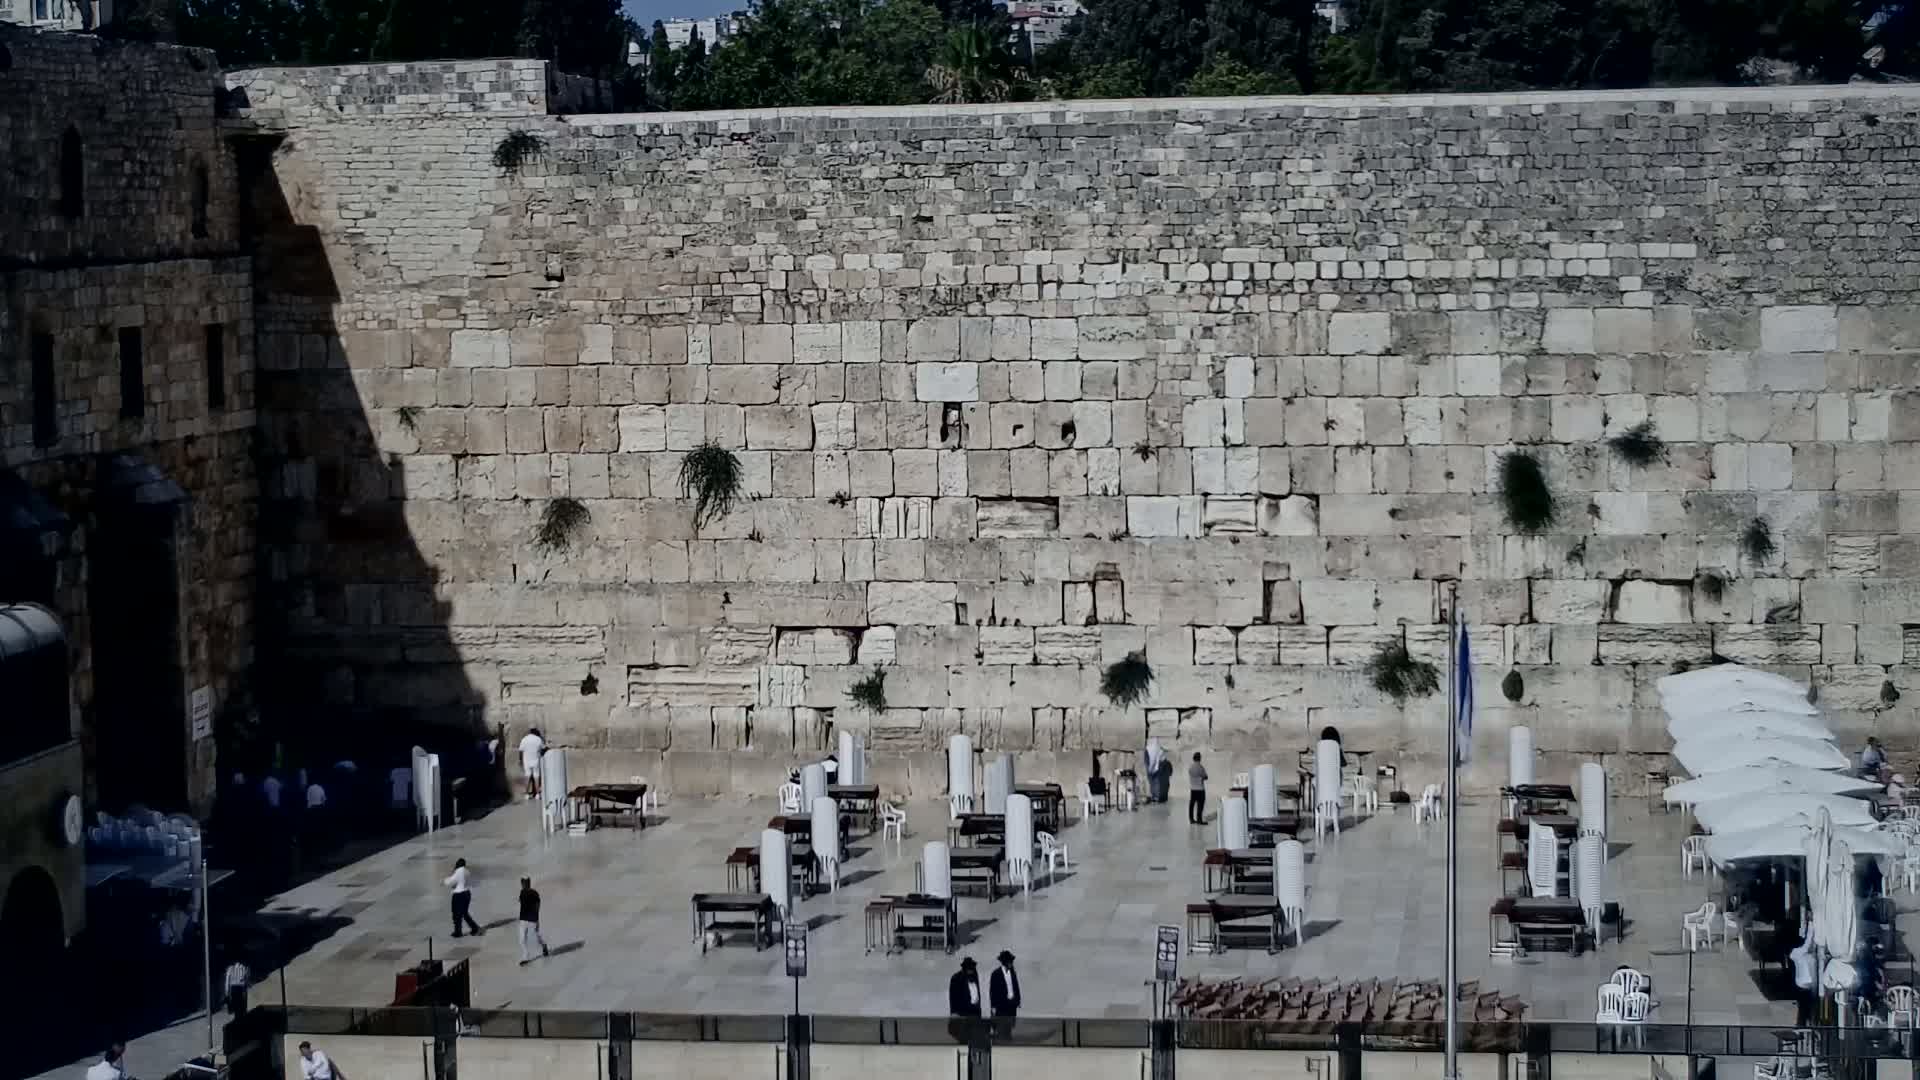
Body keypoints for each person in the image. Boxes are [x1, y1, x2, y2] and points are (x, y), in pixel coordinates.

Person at [445, 858, 483, 937]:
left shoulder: (458, 872)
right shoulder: (467, 871)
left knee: (456, 914)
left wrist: (445, 880)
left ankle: (459, 931)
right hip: (467, 894)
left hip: (458, 895)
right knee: (464, 913)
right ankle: (474, 928)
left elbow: (450, 882)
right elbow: (472, 882)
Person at [517, 876, 550, 965]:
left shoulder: (534, 893)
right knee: (522, 939)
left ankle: (544, 946)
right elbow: (520, 900)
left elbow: (538, 904)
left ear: (529, 883)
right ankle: (525, 957)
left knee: (536, 938)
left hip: (532, 919)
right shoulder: (522, 892)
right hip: (523, 919)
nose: (523, 885)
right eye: (522, 883)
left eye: (525, 883)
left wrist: (536, 918)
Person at [989, 950, 1022, 1036]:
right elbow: (992, 991)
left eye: (1011, 961)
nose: (1011, 963)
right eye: (1010, 961)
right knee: (1001, 1028)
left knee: (1009, 1028)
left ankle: (1007, 1040)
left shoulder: (1013, 973)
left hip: (1011, 1005)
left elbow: (1016, 987)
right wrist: (993, 1006)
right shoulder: (996, 974)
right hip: (1001, 1006)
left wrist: (1017, 1000)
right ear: (1005, 962)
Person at [518, 728, 546, 801]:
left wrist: (520, 760)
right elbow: (543, 748)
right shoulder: (538, 739)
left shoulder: (524, 739)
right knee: (536, 776)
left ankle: (527, 794)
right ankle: (537, 794)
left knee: (527, 776)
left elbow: (520, 750)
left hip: (526, 760)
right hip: (536, 760)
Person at [1187, 752, 1208, 825]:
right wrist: (1202, 777)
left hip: (1193, 789)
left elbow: (1190, 774)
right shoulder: (1200, 767)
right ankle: (1199, 820)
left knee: (1192, 804)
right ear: (1199, 758)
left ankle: (1191, 819)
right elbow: (1206, 776)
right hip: (1200, 789)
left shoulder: (1190, 767)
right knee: (1200, 805)